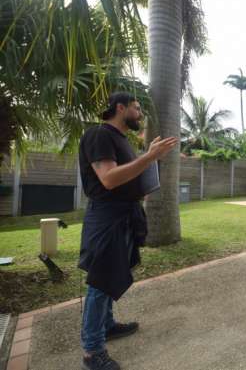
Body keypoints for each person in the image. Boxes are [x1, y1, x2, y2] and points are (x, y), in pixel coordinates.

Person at [78, 92, 178, 370]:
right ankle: (92, 350)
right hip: (107, 216)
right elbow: (108, 179)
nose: (139, 113)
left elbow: (127, 175)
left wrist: (149, 163)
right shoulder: (100, 135)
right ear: (120, 108)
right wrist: (148, 158)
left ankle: (107, 325)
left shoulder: (120, 139)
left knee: (112, 275)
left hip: (123, 214)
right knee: (100, 282)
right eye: (136, 108)